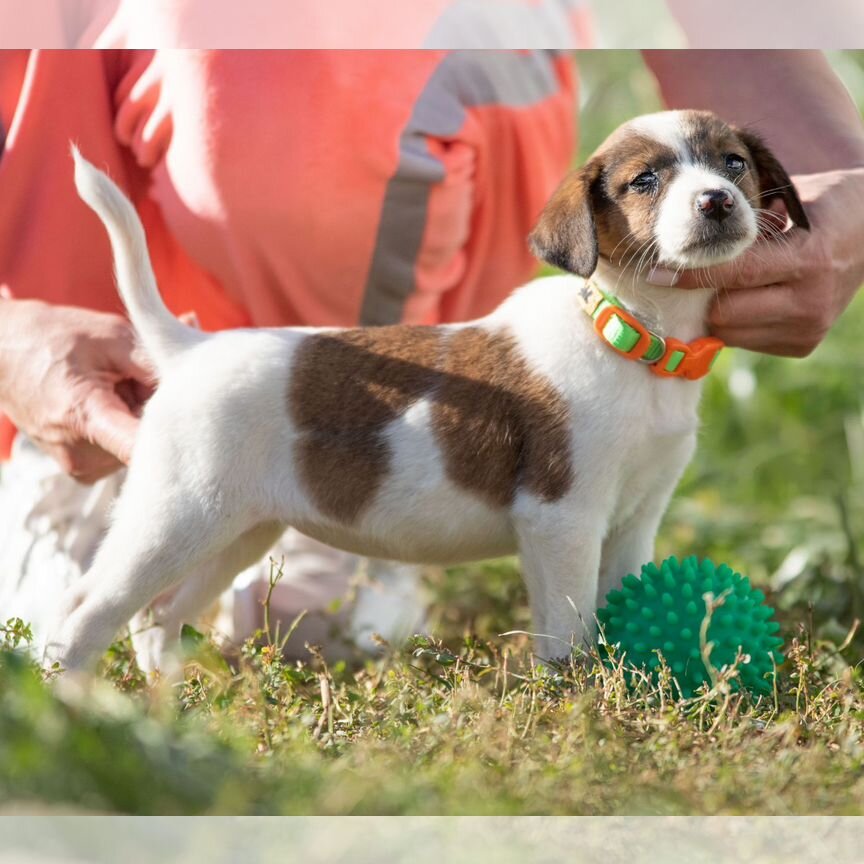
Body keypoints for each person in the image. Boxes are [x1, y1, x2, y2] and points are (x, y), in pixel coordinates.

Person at [0, 44, 862, 658]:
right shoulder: (572, 363)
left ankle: (242, 602)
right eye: (650, 180)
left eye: (733, 166)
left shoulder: (655, 382)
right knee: (168, 548)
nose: (711, 192)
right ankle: (77, 648)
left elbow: (617, 533)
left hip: (279, 367)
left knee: (613, 525)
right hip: (236, 386)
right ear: (590, 225)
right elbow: (556, 518)